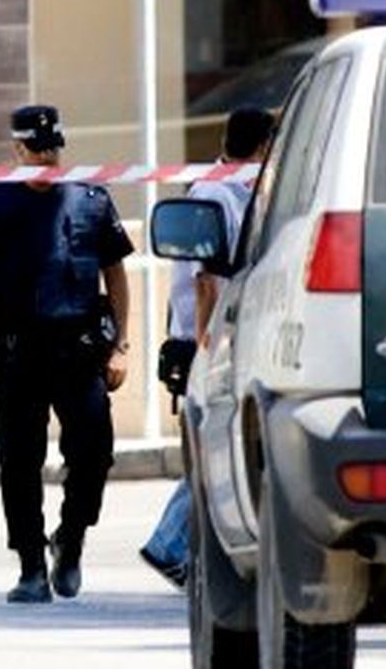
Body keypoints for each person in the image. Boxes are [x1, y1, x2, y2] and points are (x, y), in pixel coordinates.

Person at [0, 104, 134, 604]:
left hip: (78, 352)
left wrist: (120, 346)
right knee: (19, 462)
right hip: (16, 355)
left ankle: (70, 539)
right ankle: (31, 565)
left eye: (53, 148)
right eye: (36, 149)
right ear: (17, 149)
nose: (47, 158)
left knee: (94, 453)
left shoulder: (91, 199)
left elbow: (116, 275)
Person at [138, 106, 275, 588]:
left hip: (222, 336)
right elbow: (204, 281)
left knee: (218, 446)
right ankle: (168, 545)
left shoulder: (237, 189)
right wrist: (207, 345)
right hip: (206, 339)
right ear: (263, 147)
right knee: (210, 450)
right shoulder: (215, 193)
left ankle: (182, 548)